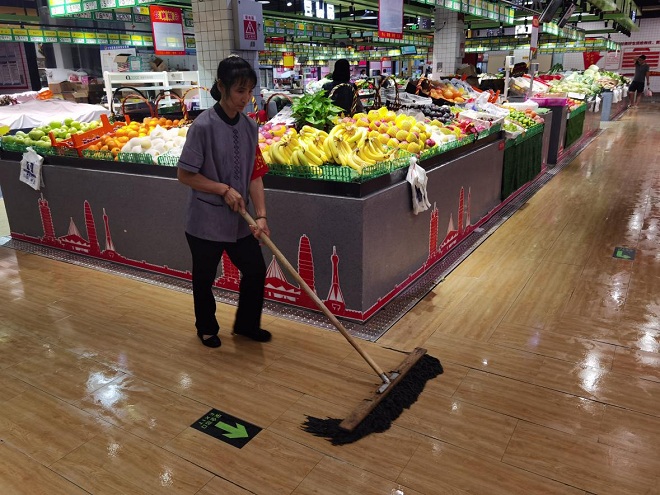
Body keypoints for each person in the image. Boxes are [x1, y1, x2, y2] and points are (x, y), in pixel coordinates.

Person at [177, 55, 271, 348]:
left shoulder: (250, 127)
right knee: (205, 277)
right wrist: (223, 189)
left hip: (240, 221)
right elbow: (185, 175)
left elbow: (255, 175)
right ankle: (206, 327)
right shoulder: (202, 126)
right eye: (240, 90)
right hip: (205, 221)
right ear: (221, 86)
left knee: (255, 270)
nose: (246, 98)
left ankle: (246, 325)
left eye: (250, 90)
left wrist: (261, 216)